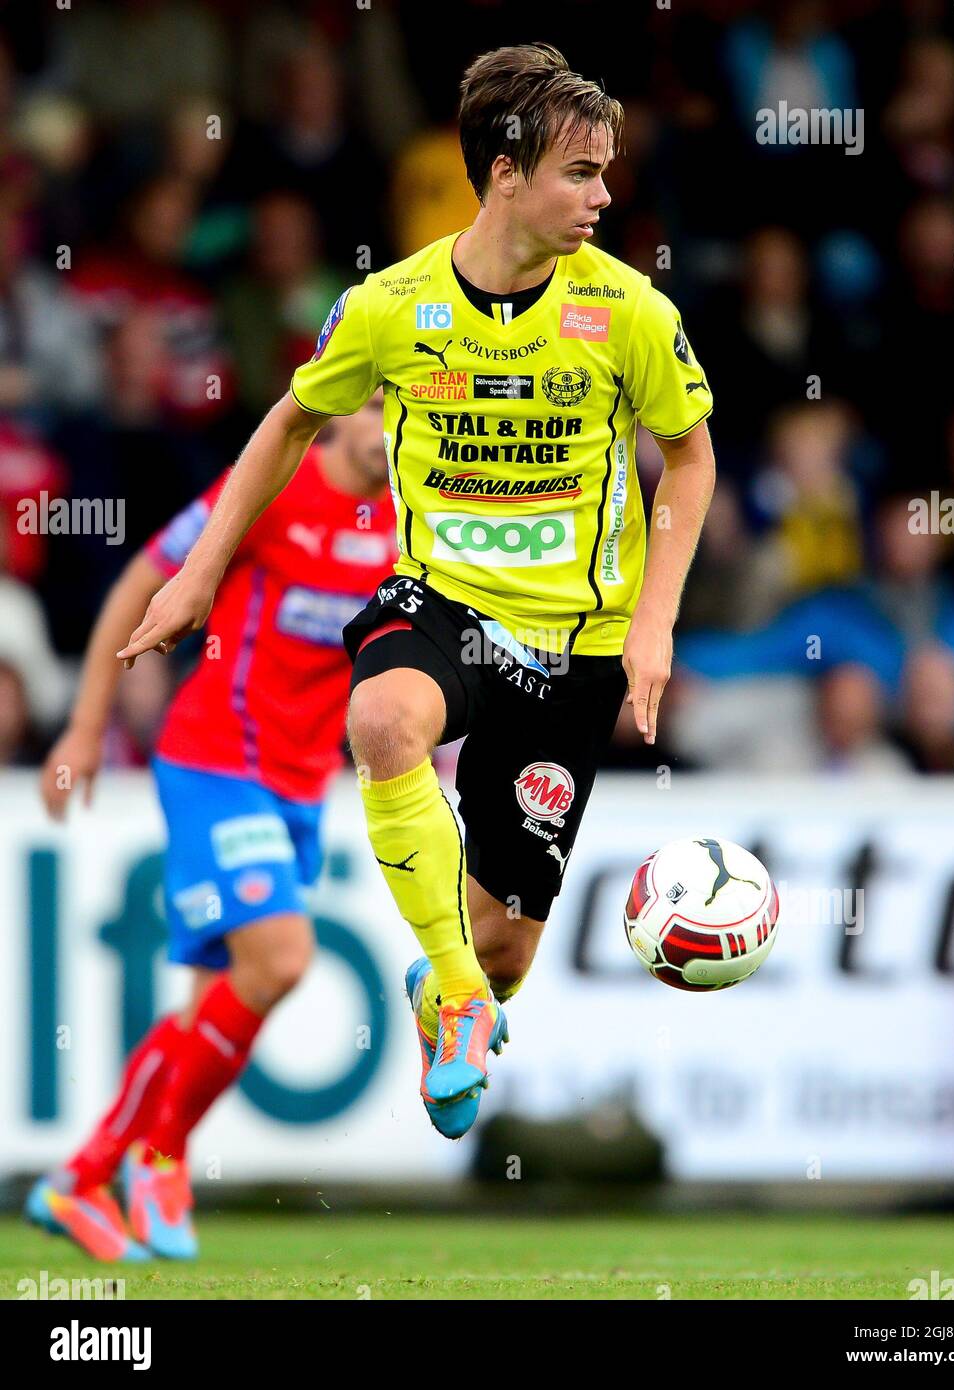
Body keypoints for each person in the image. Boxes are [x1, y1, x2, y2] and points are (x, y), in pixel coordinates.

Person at [116, 44, 716, 1144]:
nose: (603, 194)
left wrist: (653, 615)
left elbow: (689, 457)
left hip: (573, 638)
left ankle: (457, 980)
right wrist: (200, 573)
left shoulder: (627, 311)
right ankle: (451, 993)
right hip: (438, 599)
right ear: (502, 173)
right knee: (384, 715)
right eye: (580, 172)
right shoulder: (389, 307)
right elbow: (288, 422)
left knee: (506, 950)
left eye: (605, 171)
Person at [25, 391, 395, 1261]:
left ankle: (78, 1180)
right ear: (338, 411)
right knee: (284, 957)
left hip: (302, 785)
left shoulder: (415, 515)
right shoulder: (267, 485)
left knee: (212, 1013)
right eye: (379, 402)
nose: (393, 421)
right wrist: (85, 726)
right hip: (215, 761)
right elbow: (138, 582)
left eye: (406, 402)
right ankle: (157, 1160)